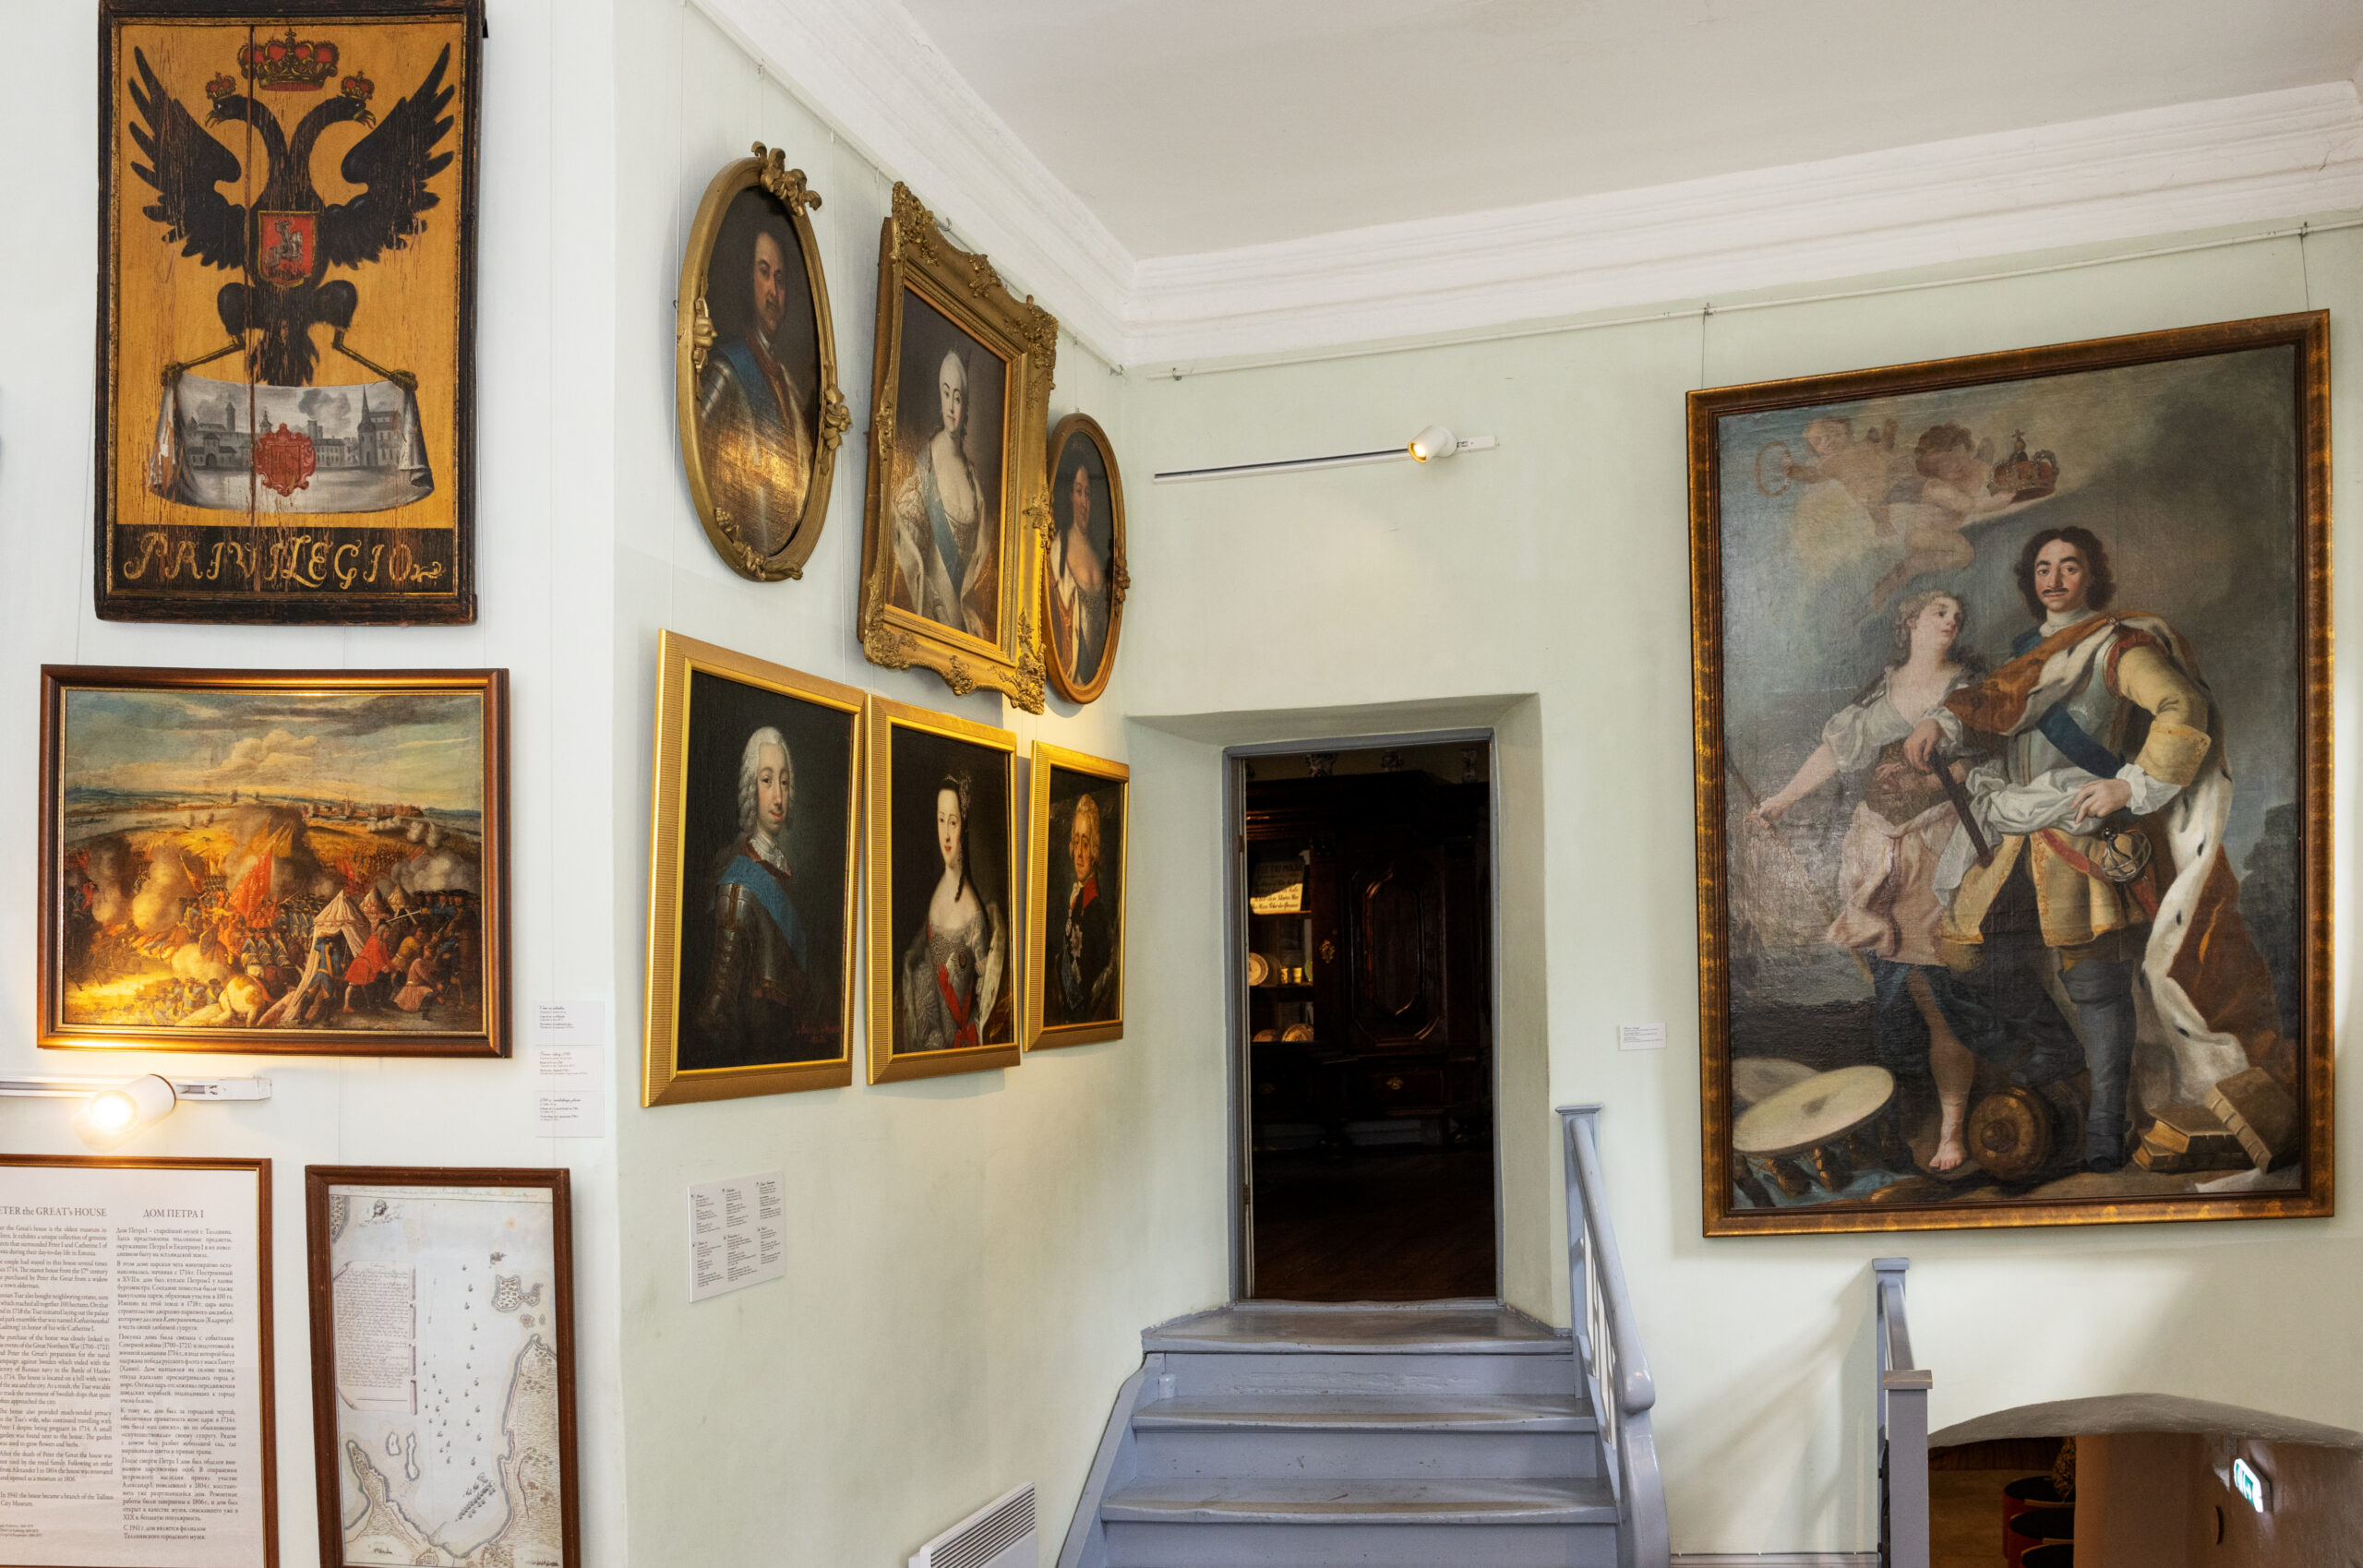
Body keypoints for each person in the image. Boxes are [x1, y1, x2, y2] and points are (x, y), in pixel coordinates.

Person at [1903, 527, 2223, 1169]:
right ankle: (2056, 1052)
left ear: (2091, 575)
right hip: (2015, 829)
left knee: (2097, 985)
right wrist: (1937, 721)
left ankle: (2105, 1123)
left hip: (2081, 827)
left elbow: (2182, 704)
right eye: (2043, 568)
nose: (2054, 579)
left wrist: (2129, 785)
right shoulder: (2028, 655)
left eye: (2069, 566)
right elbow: (1989, 713)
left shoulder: (2116, 647)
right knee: (1970, 960)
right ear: (2031, 579)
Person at [1747, 591, 1996, 1170]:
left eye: (1958, 614)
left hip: (1940, 845)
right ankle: (1907, 1121)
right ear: (1910, 621)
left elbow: (1987, 755)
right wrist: (1782, 801)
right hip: (1878, 845)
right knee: (1895, 996)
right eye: (1939, 611)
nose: (1952, 620)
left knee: (1939, 998)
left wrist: (1935, 776)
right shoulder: (1878, 693)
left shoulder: (1970, 687)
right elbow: (1833, 752)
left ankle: (1952, 1130)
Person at [694, 726, 825, 1064]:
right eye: (767, 781)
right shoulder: (738, 885)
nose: (778, 797)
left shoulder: (786, 872)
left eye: (784, 782)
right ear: (751, 787)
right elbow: (717, 1010)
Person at [697, 216, 812, 557]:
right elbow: (696, 446)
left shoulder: (789, 387)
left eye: (780, 279)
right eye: (764, 273)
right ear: (748, 280)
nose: (773, 291)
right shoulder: (727, 370)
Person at [891, 348, 996, 639]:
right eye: (946, 394)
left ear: (966, 405)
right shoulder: (924, 471)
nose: (951, 407)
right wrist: (935, 608)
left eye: (958, 398)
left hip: (965, 633)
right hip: (930, 624)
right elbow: (910, 561)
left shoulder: (974, 482)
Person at [897, 772, 1005, 1053]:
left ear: (964, 827)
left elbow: (982, 999)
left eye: (953, 822)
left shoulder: (972, 910)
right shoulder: (936, 894)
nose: (945, 834)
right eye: (941, 820)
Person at [1048, 792, 1117, 1025]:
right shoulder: (1077, 900)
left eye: (1085, 845)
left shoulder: (1096, 912)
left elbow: (1090, 984)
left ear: (1094, 851)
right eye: (1076, 842)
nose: (1078, 854)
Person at [1047, 449, 1110, 686]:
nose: (1084, 503)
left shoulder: (1100, 555)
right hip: (1070, 675)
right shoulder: (1057, 552)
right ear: (1069, 495)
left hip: (1095, 680)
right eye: (1078, 491)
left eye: (1088, 494)